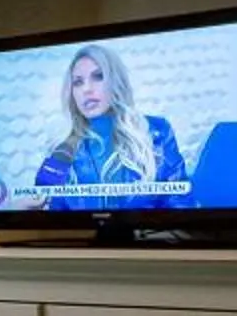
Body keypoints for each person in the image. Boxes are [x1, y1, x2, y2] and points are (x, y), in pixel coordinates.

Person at [34, 45, 190, 211]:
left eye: (98, 76)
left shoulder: (156, 132)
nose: (86, 89)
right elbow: (51, 212)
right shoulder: (62, 148)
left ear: (115, 81)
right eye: (78, 82)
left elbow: (180, 203)